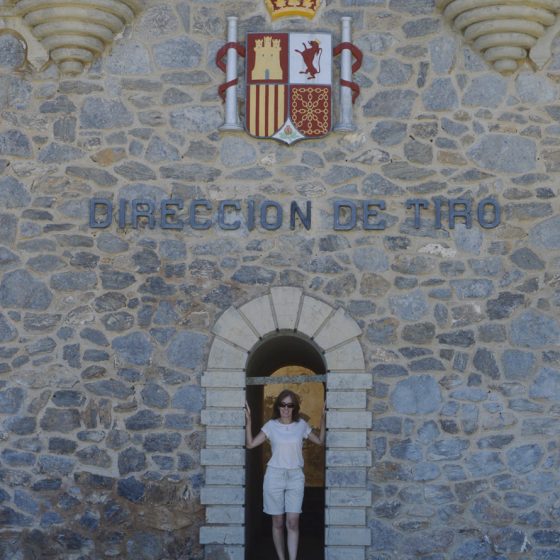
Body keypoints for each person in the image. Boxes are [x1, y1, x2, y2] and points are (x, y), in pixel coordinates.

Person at [245, 389, 326, 560]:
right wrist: (249, 420)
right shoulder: (271, 426)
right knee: (278, 523)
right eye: (282, 404)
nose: (286, 408)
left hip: (295, 476)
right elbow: (251, 444)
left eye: (290, 405)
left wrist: (323, 419)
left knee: (293, 522)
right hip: (274, 476)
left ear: (295, 407)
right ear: (278, 406)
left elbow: (319, 441)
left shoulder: (301, 425)